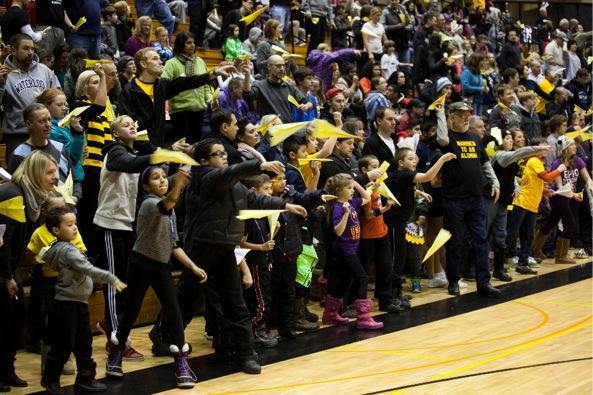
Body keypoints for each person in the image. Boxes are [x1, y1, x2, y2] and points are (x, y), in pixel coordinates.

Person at [105, 168, 206, 388]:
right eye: (155, 178)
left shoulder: (170, 209)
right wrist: (178, 184)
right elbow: (166, 204)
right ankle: (116, 354)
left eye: (163, 177)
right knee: (131, 311)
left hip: (161, 266)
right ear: (145, 186)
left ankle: (181, 362)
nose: (161, 180)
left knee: (174, 312)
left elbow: (173, 246)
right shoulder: (150, 203)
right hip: (141, 263)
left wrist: (193, 266)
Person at [40, 207, 126, 395]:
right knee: (63, 344)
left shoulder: (70, 248)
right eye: (69, 225)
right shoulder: (67, 251)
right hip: (67, 304)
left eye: (75, 224)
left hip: (79, 302)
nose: (75, 228)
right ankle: (50, 378)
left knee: (84, 342)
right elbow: (88, 269)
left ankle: (85, 377)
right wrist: (110, 278)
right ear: (56, 230)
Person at [0, 151, 58, 392]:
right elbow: (4, 242)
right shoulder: (13, 194)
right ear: (35, 173)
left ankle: (6, 369)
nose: (55, 177)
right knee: (5, 317)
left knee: (17, 314)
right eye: (49, 173)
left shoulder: (32, 197)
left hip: (7, 265)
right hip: (2, 265)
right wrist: (7, 277)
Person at [435, 102, 502, 297]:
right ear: (452, 117)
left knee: (482, 240)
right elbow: (440, 139)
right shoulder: (448, 139)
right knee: (455, 242)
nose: (466, 118)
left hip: (476, 199)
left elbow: (485, 164)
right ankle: (453, 281)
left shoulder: (474, 138)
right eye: (461, 115)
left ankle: (484, 282)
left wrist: (495, 182)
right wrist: (440, 114)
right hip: (454, 200)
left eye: (468, 115)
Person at [120, 47, 236, 148]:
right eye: (155, 59)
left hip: (157, 146)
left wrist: (214, 73)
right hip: (137, 149)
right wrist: (151, 148)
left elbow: (188, 82)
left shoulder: (161, 85)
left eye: (160, 58)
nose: (160, 62)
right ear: (143, 64)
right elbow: (129, 126)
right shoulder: (128, 91)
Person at [384, 146, 455, 304]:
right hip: (395, 221)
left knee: (401, 258)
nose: (415, 160)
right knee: (397, 258)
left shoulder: (401, 176)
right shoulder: (405, 174)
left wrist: (419, 192)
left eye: (415, 158)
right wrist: (442, 159)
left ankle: (396, 291)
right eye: (410, 159)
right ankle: (393, 294)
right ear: (400, 163)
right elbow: (428, 177)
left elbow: (398, 189)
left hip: (399, 221)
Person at [484, 130, 550, 281]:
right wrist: (537, 149)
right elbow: (518, 153)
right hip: (491, 199)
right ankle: (480, 266)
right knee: (485, 232)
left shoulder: (510, 159)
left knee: (501, 234)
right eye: (507, 139)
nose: (511, 141)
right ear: (499, 142)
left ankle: (499, 269)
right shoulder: (500, 155)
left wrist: (517, 187)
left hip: (503, 200)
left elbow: (511, 177)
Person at [321, 174, 384, 330]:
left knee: (346, 282)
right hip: (344, 251)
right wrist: (346, 214)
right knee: (362, 278)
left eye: (352, 188)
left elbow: (367, 198)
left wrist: (355, 183)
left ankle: (330, 313)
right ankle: (364, 317)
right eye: (348, 188)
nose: (352, 191)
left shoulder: (352, 202)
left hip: (350, 250)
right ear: (338, 190)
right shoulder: (338, 208)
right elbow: (339, 231)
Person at [0, 34, 61, 160]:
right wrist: (1, 85)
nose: (30, 52)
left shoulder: (44, 70)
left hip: (46, 133)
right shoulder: (4, 74)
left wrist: (49, 97)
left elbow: (59, 95)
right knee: (19, 179)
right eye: (26, 48)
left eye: (32, 49)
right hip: (19, 136)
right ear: (13, 50)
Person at [8, 103, 83, 204]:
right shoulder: (19, 155)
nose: (48, 125)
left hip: (67, 209)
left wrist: (76, 197)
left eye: (49, 119)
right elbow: (17, 192)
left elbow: (75, 180)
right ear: (28, 124)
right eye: (42, 121)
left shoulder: (60, 148)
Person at [536, 136, 593, 265]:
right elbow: (560, 187)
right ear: (565, 148)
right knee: (570, 224)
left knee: (551, 222)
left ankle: (535, 248)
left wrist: (590, 184)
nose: (575, 147)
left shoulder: (578, 161)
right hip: (558, 197)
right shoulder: (558, 164)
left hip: (568, 196)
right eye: (572, 145)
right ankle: (561, 255)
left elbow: (587, 178)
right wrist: (574, 195)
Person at [240, 174, 279, 347]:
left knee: (266, 297)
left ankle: (261, 329)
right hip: (254, 262)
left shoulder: (261, 213)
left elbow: (266, 241)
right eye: (266, 189)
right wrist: (260, 248)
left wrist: (274, 231)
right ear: (253, 191)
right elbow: (239, 243)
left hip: (265, 261)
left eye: (271, 188)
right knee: (260, 300)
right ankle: (256, 330)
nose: (270, 193)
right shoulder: (247, 216)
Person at [162, 31, 212, 143]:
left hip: (199, 109)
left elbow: (205, 83)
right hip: (180, 110)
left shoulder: (200, 61)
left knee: (194, 144)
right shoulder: (171, 63)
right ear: (181, 44)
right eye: (188, 42)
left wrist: (208, 98)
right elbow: (165, 85)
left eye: (193, 42)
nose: (192, 45)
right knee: (181, 145)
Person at [242, 56, 313, 123]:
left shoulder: (289, 86)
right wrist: (247, 75)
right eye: (278, 66)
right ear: (269, 66)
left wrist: (306, 106)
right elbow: (248, 96)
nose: (282, 69)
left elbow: (310, 103)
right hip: (270, 132)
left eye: (283, 65)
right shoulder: (260, 85)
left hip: (287, 130)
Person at [37, 89, 85, 183]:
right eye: (59, 105)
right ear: (46, 106)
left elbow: (75, 152)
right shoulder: (52, 130)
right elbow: (72, 158)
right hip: (64, 179)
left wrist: (81, 152)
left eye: (65, 104)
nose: (64, 108)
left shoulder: (60, 125)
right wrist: (79, 133)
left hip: (72, 176)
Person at [380, 0, 413, 75]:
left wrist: (409, 27)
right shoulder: (385, 11)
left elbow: (410, 23)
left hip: (404, 44)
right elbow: (382, 27)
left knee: (406, 69)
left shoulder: (403, 9)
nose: (394, 2)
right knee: (394, 70)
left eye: (396, 0)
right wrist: (396, 27)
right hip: (392, 45)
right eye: (392, 0)